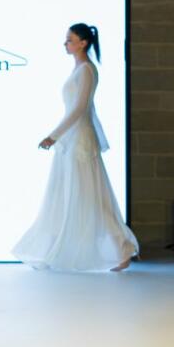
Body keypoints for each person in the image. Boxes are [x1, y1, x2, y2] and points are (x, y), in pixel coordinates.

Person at [14, 23, 138, 272]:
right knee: (63, 194)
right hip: (70, 140)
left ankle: (122, 248)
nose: (66, 44)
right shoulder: (80, 69)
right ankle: (53, 250)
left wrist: (53, 136)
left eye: (70, 40)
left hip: (79, 140)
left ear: (83, 43)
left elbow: (80, 108)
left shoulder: (87, 70)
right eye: (66, 39)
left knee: (91, 195)